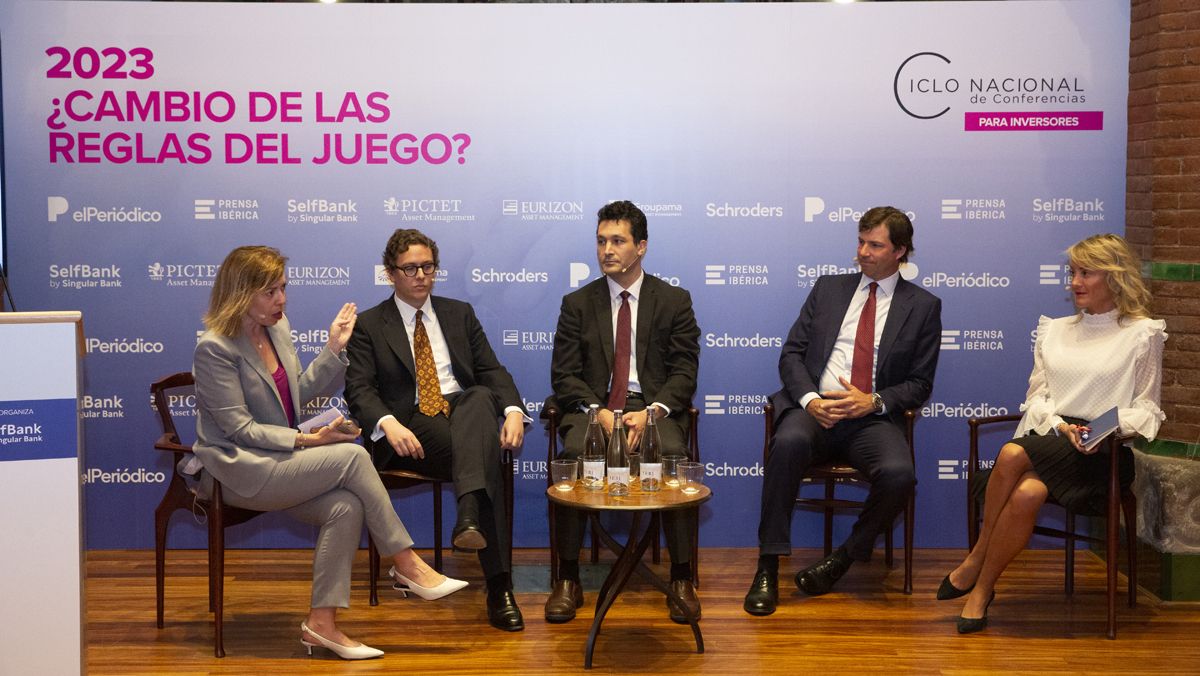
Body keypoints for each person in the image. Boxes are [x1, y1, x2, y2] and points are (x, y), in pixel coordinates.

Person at [193, 246, 466, 661]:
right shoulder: (215, 349)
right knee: (354, 456)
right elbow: (238, 429)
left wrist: (334, 350)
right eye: (270, 292)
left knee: (345, 505)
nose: (281, 300)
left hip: (277, 464)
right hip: (237, 472)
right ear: (240, 293)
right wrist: (308, 441)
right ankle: (407, 564)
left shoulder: (276, 329)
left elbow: (297, 395)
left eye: (283, 288)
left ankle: (321, 625)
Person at [939, 233, 1166, 634]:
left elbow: (1147, 409)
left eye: (1085, 272)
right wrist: (1062, 426)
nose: (1074, 282)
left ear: (1114, 277)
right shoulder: (1054, 330)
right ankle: (982, 589)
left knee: (1011, 456)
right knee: (1027, 489)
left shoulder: (1143, 333)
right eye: (1072, 272)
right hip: (1053, 435)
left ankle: (976, 561)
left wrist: (1098, 430)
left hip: (1103, 451)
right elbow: (1037, 397)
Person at [744, 206, 942, 616]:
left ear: (900, 251)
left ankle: (843, 559)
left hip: (871, 418)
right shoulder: (828, 289)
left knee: (899, 474)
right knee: (786, 443)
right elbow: (792, 355)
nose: (863, 252)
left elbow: (920, 384)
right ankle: (767, 564)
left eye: (875, 245)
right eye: (860, 242)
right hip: (816, 409)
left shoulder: (922, 306)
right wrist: (811, 401)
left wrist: (874, 400)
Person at [344, 228, 528, 632]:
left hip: (462, 414)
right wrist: (387, 423)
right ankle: (499, 587)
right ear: (390, 272)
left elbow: (490, 370)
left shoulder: (459, 313)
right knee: (486, 464)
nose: (421, 275)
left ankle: (469, 519)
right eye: (410, 268)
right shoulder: (370, 325)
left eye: (428, 266)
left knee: (480, 396)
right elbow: (358, 389)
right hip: (407, 426)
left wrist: (514, 409)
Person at [545, 200, 702, 624]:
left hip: (651, 409)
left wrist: (651, 413)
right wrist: (599, 412)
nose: (606, 250)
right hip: (596, 410)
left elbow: (685, 370)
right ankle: (568, 579)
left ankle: (683, 578)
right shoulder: (577, 304)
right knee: (575, 457)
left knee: (673, 458)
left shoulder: (674, 300)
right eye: (601, 241)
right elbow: (564, 375)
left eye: (618, 240)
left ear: (642, 247)